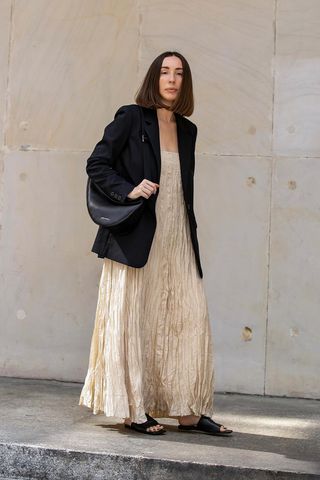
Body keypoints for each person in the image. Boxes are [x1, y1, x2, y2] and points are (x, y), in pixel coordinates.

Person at [79, 51, 233, 436]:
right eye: (165, 71)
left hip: (178, 234)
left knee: (186, 318)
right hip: (138, 236)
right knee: (137, 320)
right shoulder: (131, 117)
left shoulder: (188, 130)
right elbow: (97, 163)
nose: (172, 78)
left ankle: (188, 411)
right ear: (154, 78)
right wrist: (128, 190)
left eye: (180, 73)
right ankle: (134, 409)